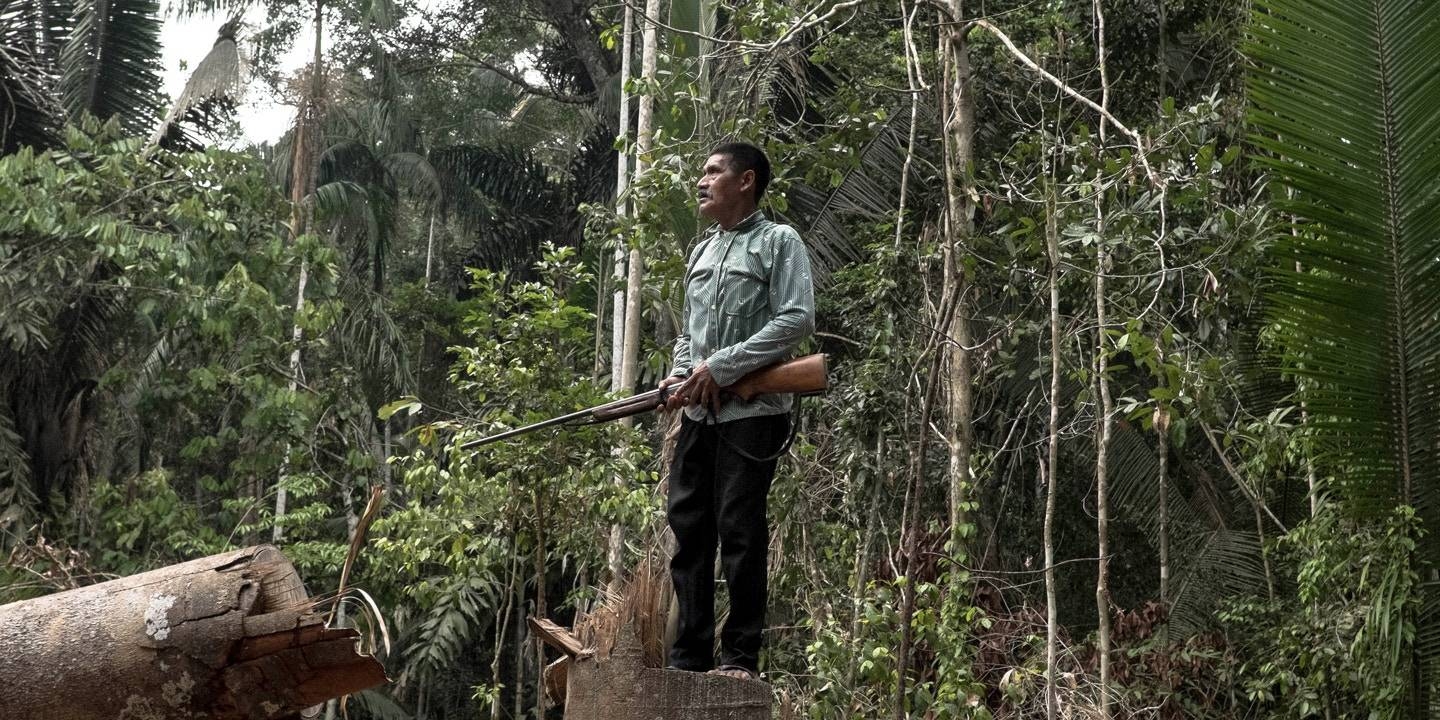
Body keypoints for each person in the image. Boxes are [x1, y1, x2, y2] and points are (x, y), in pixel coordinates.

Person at [658, 142, 815, 681]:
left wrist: (722, 366)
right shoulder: (701, 253)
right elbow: (687, 333)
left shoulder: (779, 241)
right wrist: (682, 375)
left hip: (754, 413)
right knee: (689, 529)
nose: (700, 181)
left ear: (745, 181)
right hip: (700, 416)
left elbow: (796, 319)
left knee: (740, 531)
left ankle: (740, 660)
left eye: (712, 171)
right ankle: (689, 657)